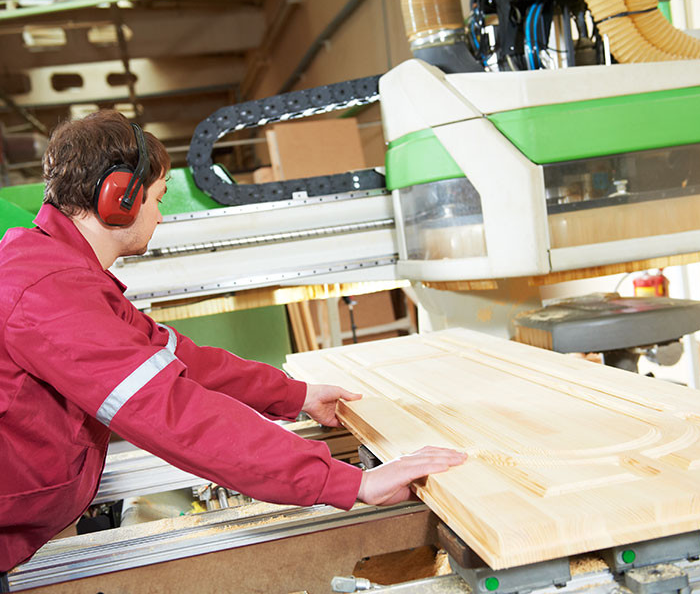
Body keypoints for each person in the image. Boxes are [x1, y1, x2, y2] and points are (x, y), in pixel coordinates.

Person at [0, 110, 466, 580]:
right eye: (158, 199)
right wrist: (353, 482)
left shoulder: (62, 275)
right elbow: (173, 413)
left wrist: (296, 395)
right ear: (120, 198)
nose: (160, 215)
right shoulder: (46, 292)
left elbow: (180, 360)